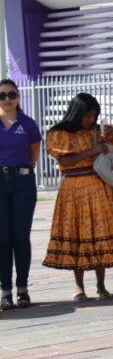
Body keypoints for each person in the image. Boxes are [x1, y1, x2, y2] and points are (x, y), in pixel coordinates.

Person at [42, 93, 113, 300]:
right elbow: (66, 162)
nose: (91, 119)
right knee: (78, 235)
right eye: (87, 115)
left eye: (94, 115)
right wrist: (92, 151)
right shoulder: (59, 133)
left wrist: (112, 132)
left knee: (98, 235)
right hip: (73, 191)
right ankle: (79, 287)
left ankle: (101, 285)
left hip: (99, 189)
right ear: (77, 113)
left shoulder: (97, 132)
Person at [0, 79, 42, 311]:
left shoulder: (27, 123)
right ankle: (5, 291)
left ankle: (22, 289)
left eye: (11, 94)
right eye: (2, 95)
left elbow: (34, 151)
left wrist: (20, 169)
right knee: (2, 238)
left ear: (18, 96)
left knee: (20, 237)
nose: (7, 99)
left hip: (22, 182)